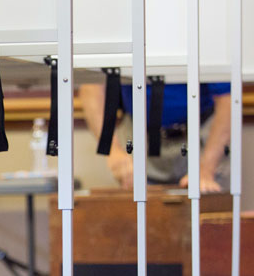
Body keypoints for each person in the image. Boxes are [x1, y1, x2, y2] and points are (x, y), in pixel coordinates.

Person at [80, 79, 231, 193]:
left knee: (206, 222)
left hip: (201, 135)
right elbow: (92, 87)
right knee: (138, 222)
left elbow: (227, 100)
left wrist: (206, 168)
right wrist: (113, 151)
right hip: (139, 133)